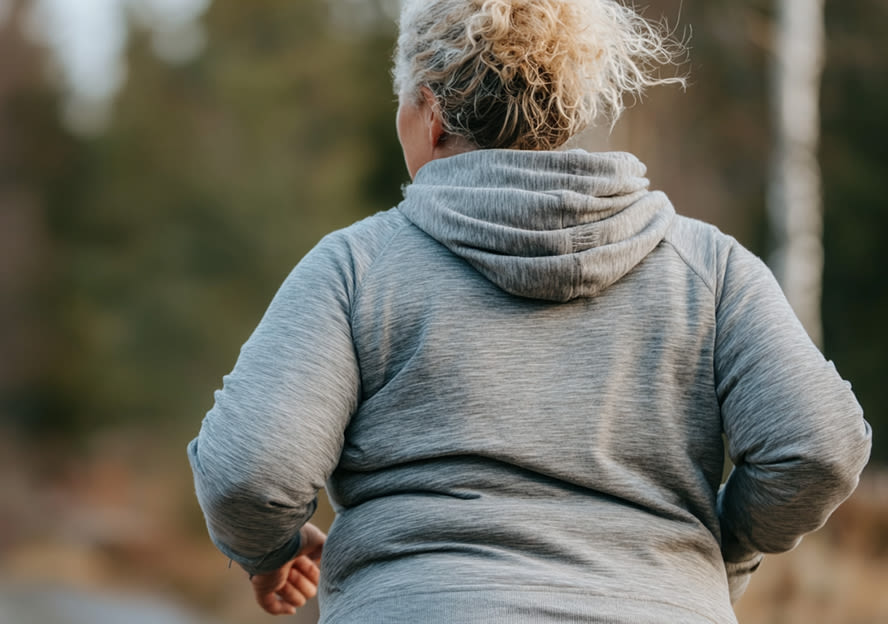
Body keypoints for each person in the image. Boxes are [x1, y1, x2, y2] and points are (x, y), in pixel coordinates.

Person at [186, 0, 873, 621]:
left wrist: (270, 550)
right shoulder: (709, 268)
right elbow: (818, 448)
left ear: (430, 114)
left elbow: (248, 472)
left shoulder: (357, 267)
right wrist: (717, 551)